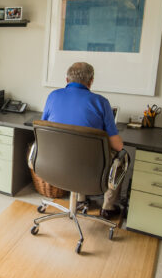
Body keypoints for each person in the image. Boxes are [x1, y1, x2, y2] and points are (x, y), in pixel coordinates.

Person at [41, 62, 123, 219]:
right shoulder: (101, 102)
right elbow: (117, 145)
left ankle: (81, 200)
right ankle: (108, 207)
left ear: (66, 80)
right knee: (121, 158)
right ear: (91, 81)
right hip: (88, 168)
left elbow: (44, 128)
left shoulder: (53, 96)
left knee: (75, 150)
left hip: (54, 163)